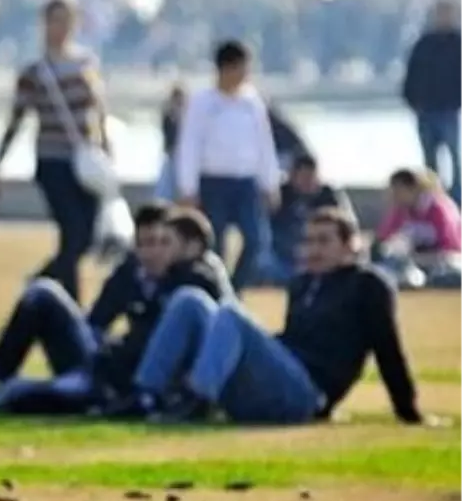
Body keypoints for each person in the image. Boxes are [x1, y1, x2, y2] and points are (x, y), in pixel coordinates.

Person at [126, 208, 430, 426]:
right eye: (309, 241)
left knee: (231, 314)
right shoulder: (302, 283)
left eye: (324, 241)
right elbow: (293, 340)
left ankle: (196, 401)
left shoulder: (368, 284)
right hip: (280, 378)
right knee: (189, 301)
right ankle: (145, 395)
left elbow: (387, 348)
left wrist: (408, 411)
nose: (313, 250)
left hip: (308, 394)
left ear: (351, 245)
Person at [0, 204, 232, 415]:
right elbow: (95, 322)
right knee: (41, 294)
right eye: (144, 244)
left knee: (28, 395)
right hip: (102, 365)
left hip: (126, 384)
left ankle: (14, 394)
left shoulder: (192, 282)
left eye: (162, 243)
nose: (153, 252)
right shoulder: (130, 272)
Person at [0, 0, 111, 302]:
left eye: (67, 21)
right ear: (44, 24)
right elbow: (16, 120)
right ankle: (72, 307)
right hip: (52, 159)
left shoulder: (86, 63)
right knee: (72, 232)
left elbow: (99, 112)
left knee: (87, 237)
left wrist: (107, 150)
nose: (61, 28)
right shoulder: (35, 72)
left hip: (86, 162)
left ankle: (41, 283)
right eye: (55, 21)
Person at [174, 39, 281, 294]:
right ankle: (218, 292)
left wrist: (271, 183)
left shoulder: (251, 103)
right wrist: (188, 187)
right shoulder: (203, 102)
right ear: (227, 67)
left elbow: (264, 145)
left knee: (257, 240)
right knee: (216, 244)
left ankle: (235, 290)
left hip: (246, 182)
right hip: (213, 181)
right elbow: (189, 145)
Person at [257, 154, 356, 287]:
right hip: (285, 257)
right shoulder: (280, 196)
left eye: (311, 177)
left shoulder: (330, 196)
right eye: (303, 177)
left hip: (323, 256)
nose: (307, 182)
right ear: (293, 176)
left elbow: (349, 226)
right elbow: (264, 228)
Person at [402, 0, 462, 202]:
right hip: (426, 110)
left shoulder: (458, 43)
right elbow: (411, 75)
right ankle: (433, 197)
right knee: (429, 161)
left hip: (449, 110)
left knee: (454, 158)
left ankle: (457, 197)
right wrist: (413, 102)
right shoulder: (424, 44)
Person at [373, 167, 462, 289]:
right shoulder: (400, 210)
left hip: (447, 262)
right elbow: (382, 240)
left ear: (412, 189)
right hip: (416, 264)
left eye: (398, 190)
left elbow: (450, 250)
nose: (394, 195)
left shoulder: (439, 208)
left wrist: (417, 258)